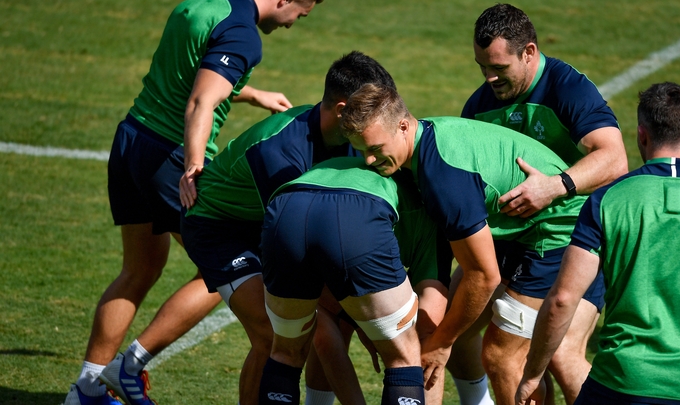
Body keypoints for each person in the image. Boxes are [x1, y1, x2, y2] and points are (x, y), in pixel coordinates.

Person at [64, 0, 324, 404]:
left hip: (131, 141)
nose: (291, 25)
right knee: (225, 261)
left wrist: (252, 93)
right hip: (170, 155)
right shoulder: (243, 33)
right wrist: (194, 163)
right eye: (297, 15)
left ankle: (85, 391)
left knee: (140, 268)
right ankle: (130, 366)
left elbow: (195, 71)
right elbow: (201, 101)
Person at [97, 51, 394, 405]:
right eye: (372, 112)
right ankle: (127, 367)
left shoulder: (350, 138)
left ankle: (128, 366)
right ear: (343, 109)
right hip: (217, 228)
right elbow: (294, 249)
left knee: (313, 324)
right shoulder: (281, 152)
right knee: (275, 334)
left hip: (261, 222)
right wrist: (362, 315)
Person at [515, 82, 680, 405]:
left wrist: (531, 375)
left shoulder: (606, 201)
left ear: (641, 135)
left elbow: (562, 300)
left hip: (619, 387)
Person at [340, 83, 596, 405]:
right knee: (455, 322)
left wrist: (440, 344)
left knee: (501, 358)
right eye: (361, 150)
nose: (368, 159)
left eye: (375, 147)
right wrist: (442, 336)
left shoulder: (444, 177)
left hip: (558, 233)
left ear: (403, 125)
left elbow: (484, 276)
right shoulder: (421, 146)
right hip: (517, 232)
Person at [453, 3, 628, 405]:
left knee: (545, 356)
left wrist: (555, 186)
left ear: (529, 52)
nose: (489, 77)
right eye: (482, 66)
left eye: (499, 67)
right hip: (507, 240)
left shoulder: (566, 88)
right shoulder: (481, 106)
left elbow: (615, 160)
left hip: (570, 241)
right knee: (449, 327)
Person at [259, 157, 431, 405]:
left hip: (286, 208)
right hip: (357, 211)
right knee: (403, 357)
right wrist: (440, 345)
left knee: (285, 352)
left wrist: (364, 321)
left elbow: (326, 270)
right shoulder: (426, 200)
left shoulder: (338, 162)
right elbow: (433, 297)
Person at [303, 167, 453, 405]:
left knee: (424, 342)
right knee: (331, 323)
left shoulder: (427, 224)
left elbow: (429, 327)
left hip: (308, 210)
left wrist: (438, 344)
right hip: (332, 218)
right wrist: (366, 324)